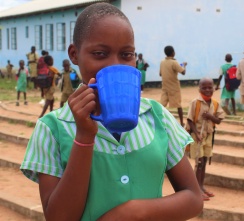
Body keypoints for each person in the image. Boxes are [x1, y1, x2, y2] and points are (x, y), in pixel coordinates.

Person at [20, 3, 202, 221]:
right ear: (74, 54)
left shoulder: (157, 116)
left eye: (126, 54)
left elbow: (193, 199)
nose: (115, 65)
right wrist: (85, 137)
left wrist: (132, 212)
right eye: (100, 53)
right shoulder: (52, 129)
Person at [186, 77, 225, 201]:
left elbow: (218, 120)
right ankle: (196, 189)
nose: (207, 90)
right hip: (197, 137)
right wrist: (196, 134)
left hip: (208, 137)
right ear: (199, 89)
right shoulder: (195, 103)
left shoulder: (215, 103)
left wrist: (210, 116)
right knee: (199, 163)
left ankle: (201, 187)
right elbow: (190, 120)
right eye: (204, 88)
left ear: (214, 88)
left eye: (210, 87)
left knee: (204, 162)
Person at [159, 45, 187, 126]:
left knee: (162, 105)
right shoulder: (174, 62)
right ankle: (181, 122)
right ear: (173, 53)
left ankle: (160, 121)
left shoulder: (162, 62)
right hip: (174, 87)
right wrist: (184, 65)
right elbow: (183, 72)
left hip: (165, 87)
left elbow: (160, 74)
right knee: (178, 105)